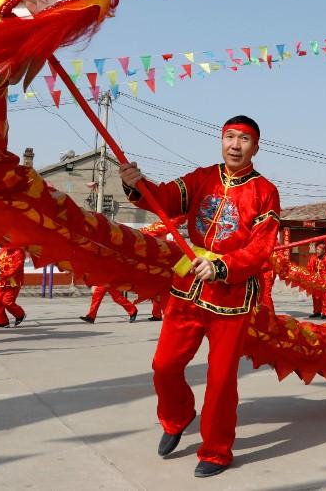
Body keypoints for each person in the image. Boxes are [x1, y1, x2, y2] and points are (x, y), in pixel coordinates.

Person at [119, 115, 280, 478]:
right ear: (221, 141)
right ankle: (177, 416)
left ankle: (217, 450)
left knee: (221, 379)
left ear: (256, 147)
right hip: (188, 284)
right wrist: (137, 184)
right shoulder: (200, 178)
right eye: (229, 137)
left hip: (233, 295)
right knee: (164, 365)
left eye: (244, 139)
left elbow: (261, 247)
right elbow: (162, 199)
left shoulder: (265, 191)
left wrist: (224, 267)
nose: (235, 145)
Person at [0, 246, 27, 328]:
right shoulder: (2, 250)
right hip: (1, 282)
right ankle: (2, 322)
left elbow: (16, 268)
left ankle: (20, 315)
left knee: (7, 301)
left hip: (13, 282)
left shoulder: (19, 251)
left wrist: (2, 275)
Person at [307, 244, 326, 319]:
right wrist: (313, 275)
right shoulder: (314, 257)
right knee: (315, 296)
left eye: (318, 249)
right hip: (315, 280)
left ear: (323, 251)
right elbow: (309, 267)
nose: (316, 251)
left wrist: (322, 277)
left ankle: (325, 313)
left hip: (324, 280)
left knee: (325, 297)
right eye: (316, 249)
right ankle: (317, 312)